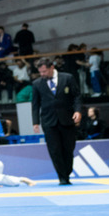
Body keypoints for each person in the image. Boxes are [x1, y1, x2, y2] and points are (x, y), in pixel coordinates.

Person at [31, 57, 82, 185]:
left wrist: (78, 111)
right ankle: (62, 177)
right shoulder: (37, 83)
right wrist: (35, 122)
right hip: (49, 121)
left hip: (67, 119)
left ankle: (67, 172)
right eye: (40, 72)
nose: (42, 74)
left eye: (44, 71)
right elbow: (35, 104)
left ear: (52, 67)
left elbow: (76, 96)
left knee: (68, 148)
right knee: (54, 150)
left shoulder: (67, 78)